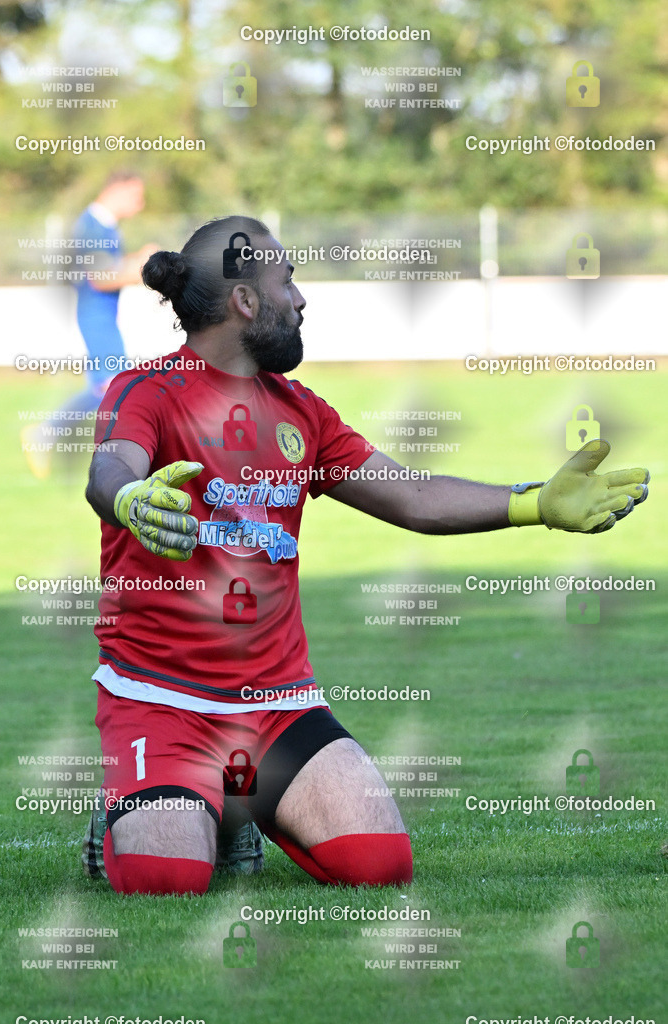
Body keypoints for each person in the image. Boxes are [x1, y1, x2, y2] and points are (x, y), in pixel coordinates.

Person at [83, 215, 649, 896]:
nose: (300, 298)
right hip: (158, 701)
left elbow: (411, 497)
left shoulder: (300, 411)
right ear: (245, 301)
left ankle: (229, 809)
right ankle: (133, 812)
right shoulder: (144, 393)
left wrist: (532, 503)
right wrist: (130, 500)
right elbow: (109, 469)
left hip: (276, 704)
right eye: (286, 280)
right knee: (164, 880)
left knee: (378, 864)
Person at [22, 172, 156, 478]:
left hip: (103, 317)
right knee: (114, 387)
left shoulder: (104, 226)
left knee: (106, 388)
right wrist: (144, 267)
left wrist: (136, 259)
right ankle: (49, 433)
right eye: (136, 197)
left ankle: (52, 436)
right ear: (116, 189)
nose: (140, 205)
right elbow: (100, 277)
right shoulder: (93, 226)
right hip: (96, 319)